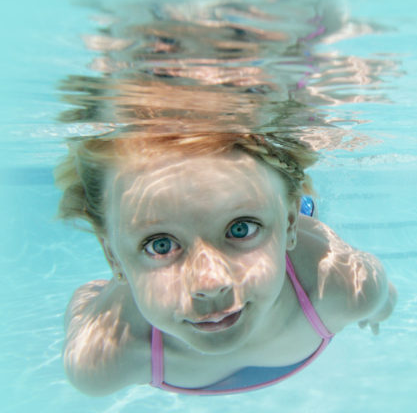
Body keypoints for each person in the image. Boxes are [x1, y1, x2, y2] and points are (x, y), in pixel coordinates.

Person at [56, 131, 396, 396]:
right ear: (111, 256)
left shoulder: (347, 287)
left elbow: (381, 295)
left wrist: (377, 310)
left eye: (240, 228)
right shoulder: (102, 359)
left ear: (289, 225)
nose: (210, 282)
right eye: (160, 245)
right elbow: (83, 299)